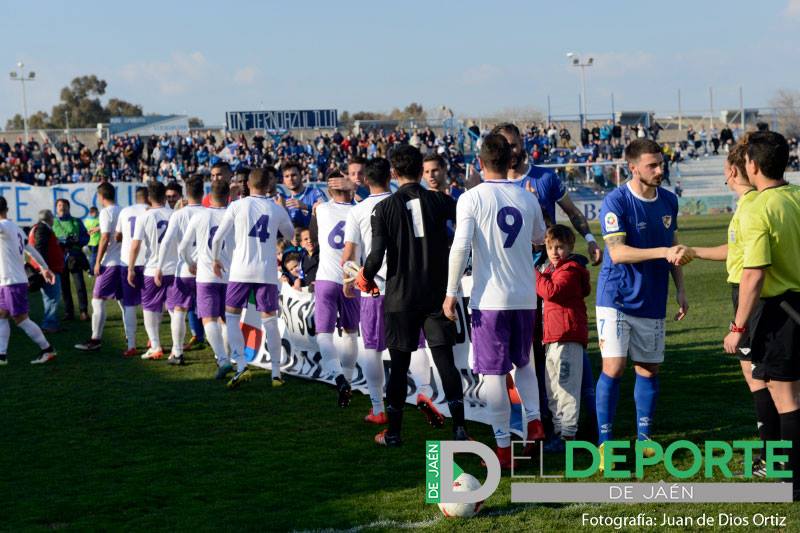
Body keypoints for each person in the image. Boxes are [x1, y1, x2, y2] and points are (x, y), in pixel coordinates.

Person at [443, 133, 546, 467]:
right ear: (510, 162)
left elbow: (459, 247)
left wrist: (450, 292)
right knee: (525, 362)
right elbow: (539, 238)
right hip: (524, 296)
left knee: (493, 374)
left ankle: (503, 449)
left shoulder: (470, 198)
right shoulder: (527, 198)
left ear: (479, 162)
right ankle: (534, 420)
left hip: (489, 299)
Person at [356, 144, 468, 446]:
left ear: (394, 173)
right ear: (421, 170)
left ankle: (393, 432)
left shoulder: (384, 209)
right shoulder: (441, 201)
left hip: (401, 297)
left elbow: (376, 256)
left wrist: (364, 276)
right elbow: (465, 231)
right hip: (435, 294)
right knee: (444, 361)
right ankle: (459, 429)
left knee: (399, 364)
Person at [596, 138, 691, 469]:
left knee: (649, 368)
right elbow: (617, 253)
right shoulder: (615, 202)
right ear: (632, 167)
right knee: (615, 367)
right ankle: (606, 442)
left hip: (652, 296)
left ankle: (645, 438)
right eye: (652, 165)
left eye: (661, 163)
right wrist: (662, 253)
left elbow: (673, 244)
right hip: (617, 298)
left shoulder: (669, 200)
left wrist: (679, 288)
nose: (660, 169)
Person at [690, 139, 778, 476]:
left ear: (731, 172)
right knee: (759, 374)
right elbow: (735, 251)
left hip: (751, 297)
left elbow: (751, 265)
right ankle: (772, 451)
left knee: (761, 377)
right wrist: (696, 251)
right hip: (747, 293)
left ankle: (772, 454)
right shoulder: (748, 204)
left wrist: (738, 323)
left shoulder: (750, 206)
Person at [721, 131, 800, 499]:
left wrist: (738, 327)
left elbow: (754, 273)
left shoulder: (759, 208)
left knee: (787, 399)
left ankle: (790, 480)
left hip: (779, 311)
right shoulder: (796, 196)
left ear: (751, 165)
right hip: (796, 306)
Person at [211, 167, 293, 388]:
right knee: (270, 320)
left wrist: (215, 259)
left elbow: (217, 238)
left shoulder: (237, 206)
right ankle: (276, 373)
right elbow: (291, 236)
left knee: (231, 316)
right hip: (265, 272)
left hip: (240, 271)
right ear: (269, 186)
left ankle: (241, 365)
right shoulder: (276, 209)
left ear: (247, 184)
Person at [342, 157, 393, 423]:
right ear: (390, 175)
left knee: (372, 348)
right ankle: (424, 393)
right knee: (415, 346)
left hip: (373, 286)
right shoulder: (404, 204)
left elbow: (349, 254)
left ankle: (378, 407)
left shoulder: (358, 210)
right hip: (404, 287)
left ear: (365, 180)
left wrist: (348, 280)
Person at [536, 224, 591, 452]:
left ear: (570, 248)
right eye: (551, 248)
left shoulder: (570, 270)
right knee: (553, 390)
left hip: (567, 337)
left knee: (567, 388)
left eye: (560, 248)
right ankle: (559, 432)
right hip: (552, 338)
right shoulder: (552, 269)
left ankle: (568, 434)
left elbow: (551, 292)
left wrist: (533, 273)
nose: (555, 252)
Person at [312, 171, 359, 406]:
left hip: (326, 279)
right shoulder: (359, 210)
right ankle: (349, 379)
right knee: (351, 332)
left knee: (324, 334)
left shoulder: (321, 209)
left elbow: (310, 235)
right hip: (351, 278)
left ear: (330, 190)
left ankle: (339, 378)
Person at [180, 180, 234, 379]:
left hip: (206, 275)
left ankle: (222, 358)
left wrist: (189, 262)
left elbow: (183, 247)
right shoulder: (234, 215)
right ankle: (229, 356)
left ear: (209, 197)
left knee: (209, 318)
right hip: (230, 274)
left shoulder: (200, 215)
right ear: (228, 196)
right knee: (228, 318)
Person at [0, 196, 58, 365]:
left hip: (12, 281)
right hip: (7, 281)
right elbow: (30, 249)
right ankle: (2, 355)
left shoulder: (4, 226)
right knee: (2, 315)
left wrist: (45, 268)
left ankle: (48, 350)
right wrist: (44, 268)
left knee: (21, 319)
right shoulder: (16, 228)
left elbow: (30, 249)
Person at [156, 177, 205, 365]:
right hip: (207, 271)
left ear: (186, 193)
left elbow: (166, 242)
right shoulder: (210, 213)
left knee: (179, 310)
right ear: (202, 193)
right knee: (213, 316)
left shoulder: (179, 214)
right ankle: (223, 356)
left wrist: (159, 266)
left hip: (184, 269)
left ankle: (177, 352)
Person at [129, 181, 174, 360]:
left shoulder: (145, 216)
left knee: (149, 308)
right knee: (175, 310)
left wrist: (131, 268)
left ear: (149, 198)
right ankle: (176, 347)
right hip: (173, 269)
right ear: (165, 196)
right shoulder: (175, 214)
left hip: (152, 268)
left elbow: (135, 245)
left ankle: (155, 345)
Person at [75, 183, 122, 352]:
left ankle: (95, 339)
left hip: (109, 262)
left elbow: (104, 238)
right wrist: (100, 227)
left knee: (97, 300)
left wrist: (97, 262)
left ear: (101, 197)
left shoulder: (105, 212)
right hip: (122, 262)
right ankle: (130, 338)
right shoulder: (122, 210)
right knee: (124, 302)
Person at [116, 186, 149, 357]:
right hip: (148, 260)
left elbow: (117, 236)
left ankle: (132, 344)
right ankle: (153, 340)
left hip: (128, 260)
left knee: (129, 304)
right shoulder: (151, 211)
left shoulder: (125, 211)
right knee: (150, 304)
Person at [53, 198, 90, 321]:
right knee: (64, 287)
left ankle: (83, 311)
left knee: (80, 285)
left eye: (64, 205)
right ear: (56, 208)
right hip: (60, 257)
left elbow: (86, 237)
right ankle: (69, 313)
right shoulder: (53, 222)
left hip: (75, 256)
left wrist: (78, 240)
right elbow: (52, 239)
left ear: (68, 208)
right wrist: (64, 240)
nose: (61, 207)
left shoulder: (76, 221)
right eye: (59, 205)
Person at [29, 210, 64, 333]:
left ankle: (49, 322)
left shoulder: (38, 228)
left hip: (46, 268)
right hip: (49, 269)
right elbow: (40, 248)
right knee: (53, 297)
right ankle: (49, 324)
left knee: (49, 297)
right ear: (50, 218)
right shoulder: (43, 229)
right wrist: (45, 268)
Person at [281, 161, 325, 228]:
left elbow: (328, 212)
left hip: (316, 237)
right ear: (283, 180)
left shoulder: (316, 193)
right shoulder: (285, 201)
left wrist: (306, 207)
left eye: (293, 175)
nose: (290, 179)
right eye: (287, 176)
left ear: (301, 176)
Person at [84, 206, 100, 275]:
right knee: (94, 257)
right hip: (95, 241)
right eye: (97, 212)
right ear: (92, 213)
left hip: (88, 242)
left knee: (92, 257)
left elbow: (85, 231)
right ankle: (91, 271)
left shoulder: (86, 221)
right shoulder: (98, 221)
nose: (98, 213)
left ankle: (90, 270)